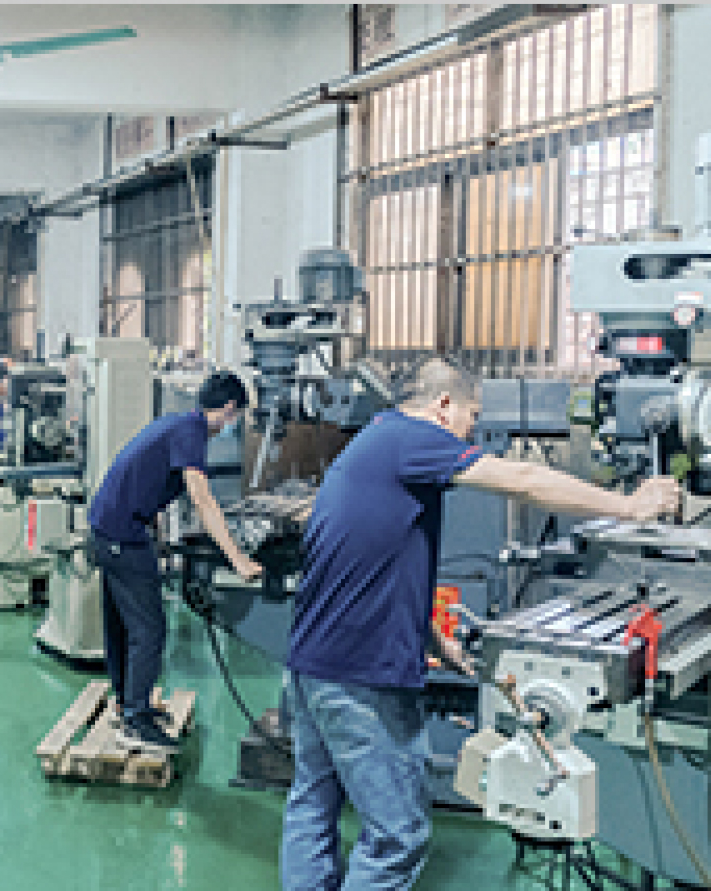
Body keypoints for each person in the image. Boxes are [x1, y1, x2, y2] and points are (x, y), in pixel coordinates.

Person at [280, 360, 681, 891]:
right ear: (443, 406)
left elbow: (375, 559)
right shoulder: (413, 438)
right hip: (363, 679)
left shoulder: (374, 441)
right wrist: (628, 506)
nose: (472, 430)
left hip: (311, 667)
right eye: (472, 415)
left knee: (312, 806)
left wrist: (432, 637)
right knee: (397, 837)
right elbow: (523, 479)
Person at [88, 370, 264, 753]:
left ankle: (126, 703)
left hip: (110, 526)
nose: (234, 425)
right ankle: (136, 721)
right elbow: (201, 498)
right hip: (122, 533)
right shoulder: (191, 432)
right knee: (148, 628)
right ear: (229, 409)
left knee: (121, 622)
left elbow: (148, 479)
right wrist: (237, 558)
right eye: (237, 416)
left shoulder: (179, 423)